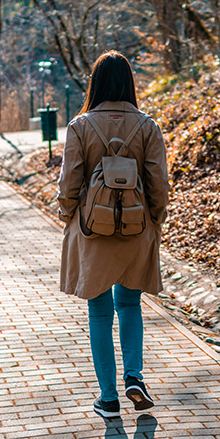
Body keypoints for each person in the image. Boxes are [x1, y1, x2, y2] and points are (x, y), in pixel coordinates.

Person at [56, 50, 170, 418]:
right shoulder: (147, 126)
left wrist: (67, 214)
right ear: (129, 83)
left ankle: (108, 398)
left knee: (100, 312)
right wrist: (154, 221)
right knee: (130, 305)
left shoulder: (80, 126)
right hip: (136, 230)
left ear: (97, 83)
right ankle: (134, 377)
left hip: (93, 231)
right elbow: (159, 185)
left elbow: (68, 184)